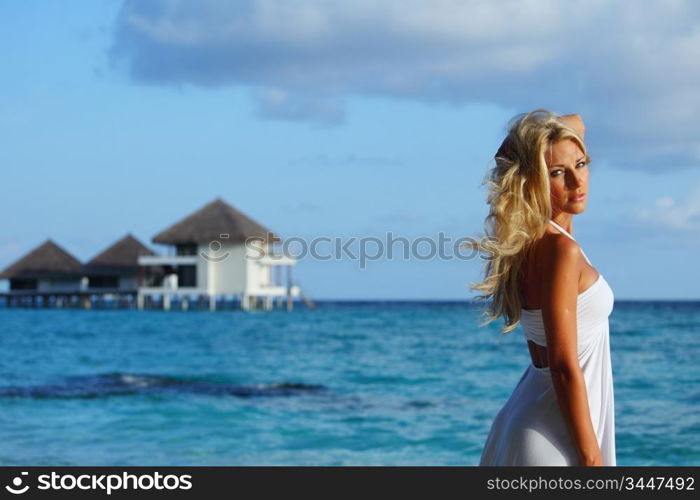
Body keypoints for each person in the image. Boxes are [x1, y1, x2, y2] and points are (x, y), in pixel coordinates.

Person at [470, 109, 616, 466]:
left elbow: (577, 120)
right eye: (556, 173)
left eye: (581, 165)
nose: (576, 182)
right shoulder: (560, 251)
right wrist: (592, 459)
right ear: (532, 180)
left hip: (531, 418)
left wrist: (537, 143)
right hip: (555, 436)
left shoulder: (532, 243)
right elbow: (563, 365)